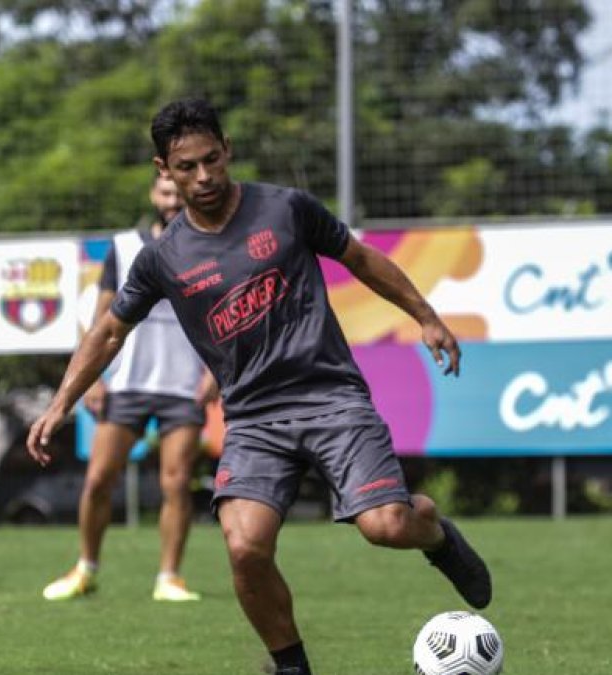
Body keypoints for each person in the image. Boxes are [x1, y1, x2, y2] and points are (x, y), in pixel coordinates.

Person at [26, 98, 492, 675]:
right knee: (244, 547)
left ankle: (438, 537)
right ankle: (291, 667)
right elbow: (109, 331)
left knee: (387, 526)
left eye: (211, 160)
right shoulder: (161, 258)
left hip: (331, 397)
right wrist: (60, 403)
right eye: (187, 167)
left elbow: (363, 260)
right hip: (252, 419)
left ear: (228, 151)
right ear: (162, 170)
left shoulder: (287, 209)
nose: (203, 177)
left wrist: (425, 314)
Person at [42, 174, 218, 603]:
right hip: (127, 382)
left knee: (176, 484)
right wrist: (92, 377)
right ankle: (86, 568)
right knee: (99, 480)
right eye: (165, 192)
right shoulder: (123, 248)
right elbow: (100, 319)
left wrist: (214, 374)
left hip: (183, 386)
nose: (173, 200)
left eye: (179, 193)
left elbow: (222, 314)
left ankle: (169, 578)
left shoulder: (212, 247)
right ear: (153, 196)